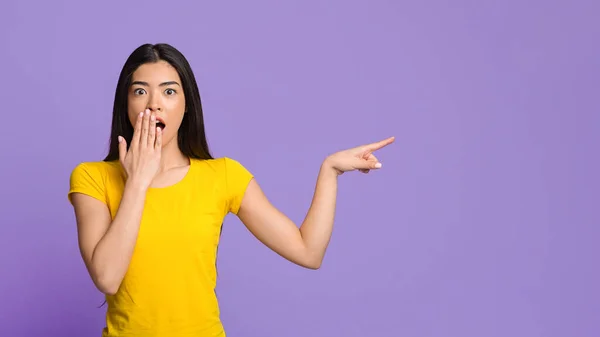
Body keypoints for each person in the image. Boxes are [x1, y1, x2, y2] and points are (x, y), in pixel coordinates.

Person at [68, 43, 394, 337]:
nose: (154, 104)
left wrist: (330, 171)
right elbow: (107, 278)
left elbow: (308, 252)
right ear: (126, 103)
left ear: (186, 105)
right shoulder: (92, 178)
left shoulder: (222, 176)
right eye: (140, 92)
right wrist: (138, 180)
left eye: (169, 92)